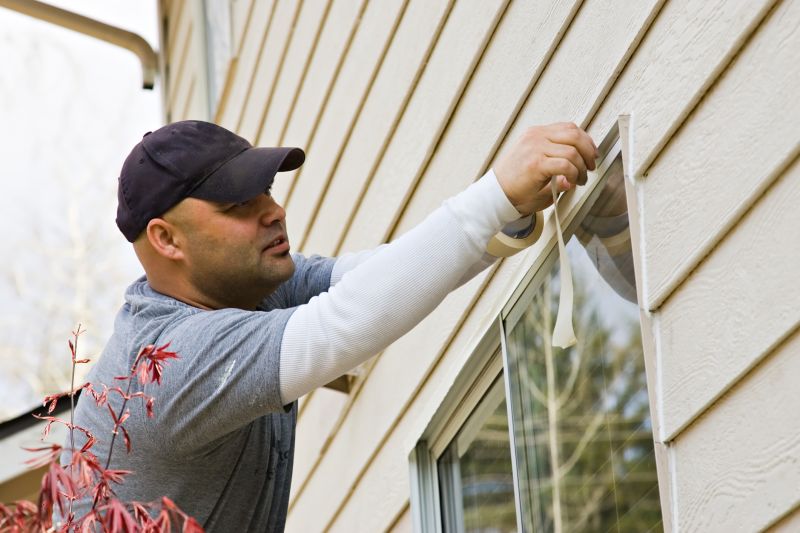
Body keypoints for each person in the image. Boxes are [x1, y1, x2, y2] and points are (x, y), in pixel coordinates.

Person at [64, 120, 598, 531]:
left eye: (267, 191)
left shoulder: (248, 289)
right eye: (239, 204)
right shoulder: (164, 368)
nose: (274, 211)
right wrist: (494, 195)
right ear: (167, 240)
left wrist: (508, 210)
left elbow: (372, 279)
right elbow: (343, 323)